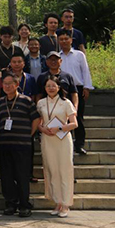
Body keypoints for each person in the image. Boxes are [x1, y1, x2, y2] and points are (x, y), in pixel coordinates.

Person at [0, 72, 41, 217]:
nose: (7, 86)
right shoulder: (0, 102)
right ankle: (11, 204)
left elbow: (36, 119)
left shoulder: (26, 101)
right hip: (5, 145)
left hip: (22, 145)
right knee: (7, 177)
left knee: (22, 176)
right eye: (5, 84)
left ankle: (24, 205)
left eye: (10, 84)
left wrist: (29, 135)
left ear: (16, 85)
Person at [37, 75, 78, 217]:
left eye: (53, 86)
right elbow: (39, 122)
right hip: (48, 139)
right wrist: (43, 130)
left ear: (59, 87)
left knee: (64, 170)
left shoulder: (66, 103)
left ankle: (66, 204)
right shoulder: (41, 103)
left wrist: (59, 128)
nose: (51, 88)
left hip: (63, 139)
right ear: (44, 88)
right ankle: (57, 202)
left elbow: (74, 123)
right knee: (51, 170)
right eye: (48, 86)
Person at [57, 29, 93, 155]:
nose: (64, 41)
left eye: (66, 39)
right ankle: (66, 145)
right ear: (58, 41)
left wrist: (87, 87)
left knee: (78, 117)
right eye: (61, 39)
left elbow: (85, 71)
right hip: (62, 90)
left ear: (71, 40)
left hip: (78, 89)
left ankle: (79, 144)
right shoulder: (57, 56)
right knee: (63, 118)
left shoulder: (79, 55)